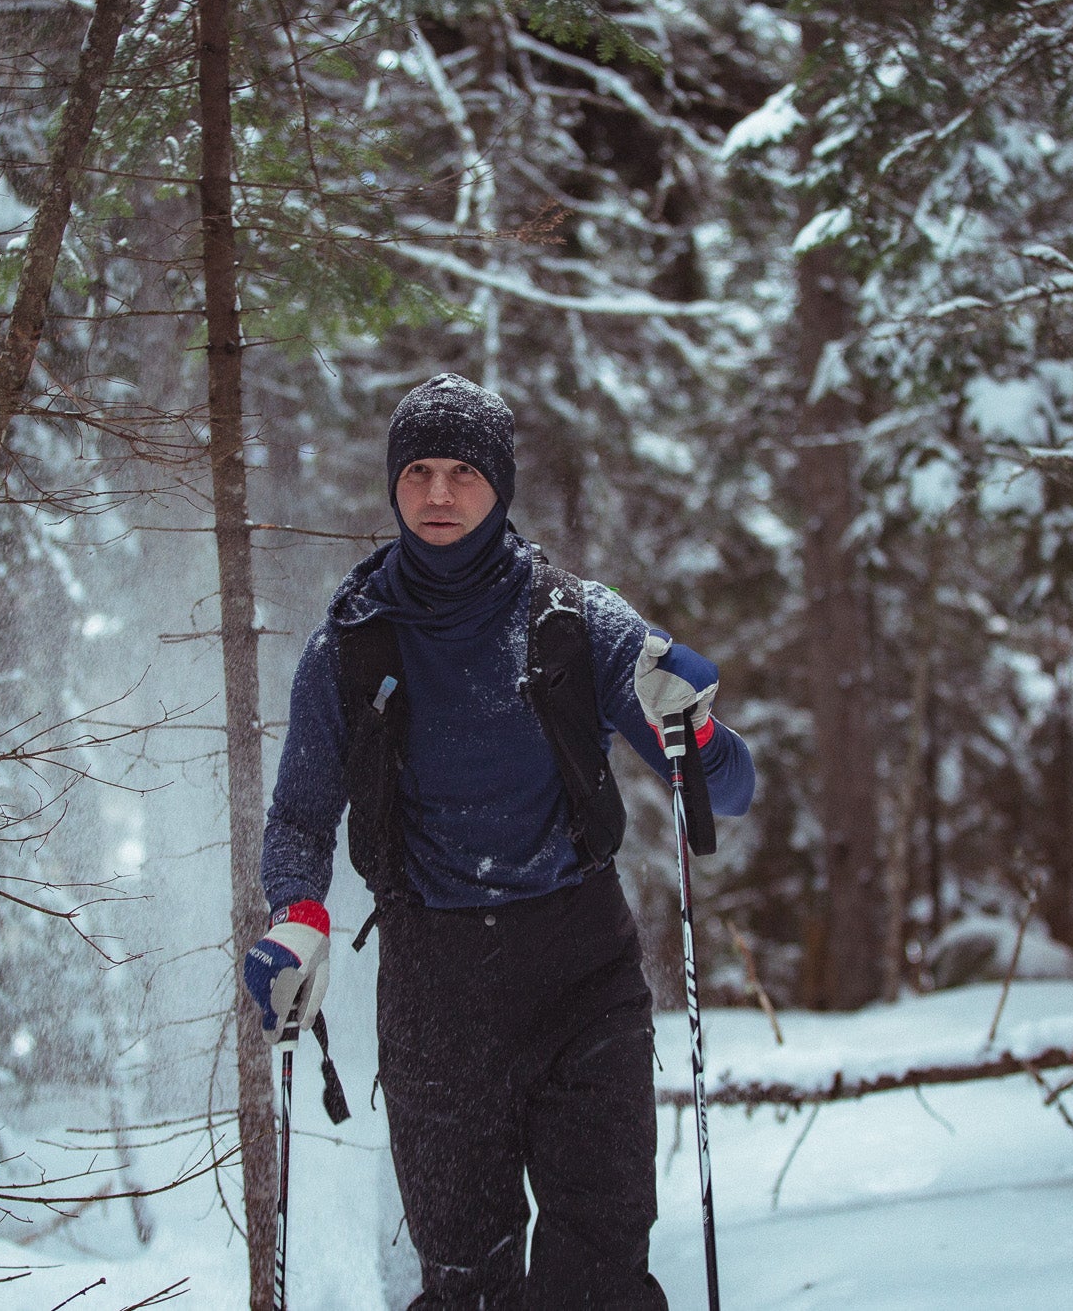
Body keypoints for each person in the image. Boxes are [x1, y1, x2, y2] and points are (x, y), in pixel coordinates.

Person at [242, 374, 754, 1308]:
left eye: (464, 473)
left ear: (501, 486)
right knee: (468, 1285)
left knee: (596, 1274)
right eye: (420, 472)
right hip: (436, 988)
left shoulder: (579, 624)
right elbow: (303, 813)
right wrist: (299, 916)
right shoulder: (352, 643)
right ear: (394, 485)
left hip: (582, 976)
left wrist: (699, 729)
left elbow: (727, 787)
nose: (439, 494)